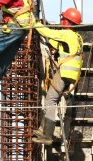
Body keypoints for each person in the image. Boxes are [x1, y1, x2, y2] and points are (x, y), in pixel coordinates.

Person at [32, 8, 84, 147]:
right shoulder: (77, 37)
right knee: (52, 99)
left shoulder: (66, 33)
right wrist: (48, 42)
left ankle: (47, 135)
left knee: (51, 99)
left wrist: (35, 23)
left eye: (63, 19)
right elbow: (59, 45)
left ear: (67, 22)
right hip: (72, 74)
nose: (61, 21)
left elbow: (48, 32)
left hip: (65, 72)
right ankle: (43, 129)